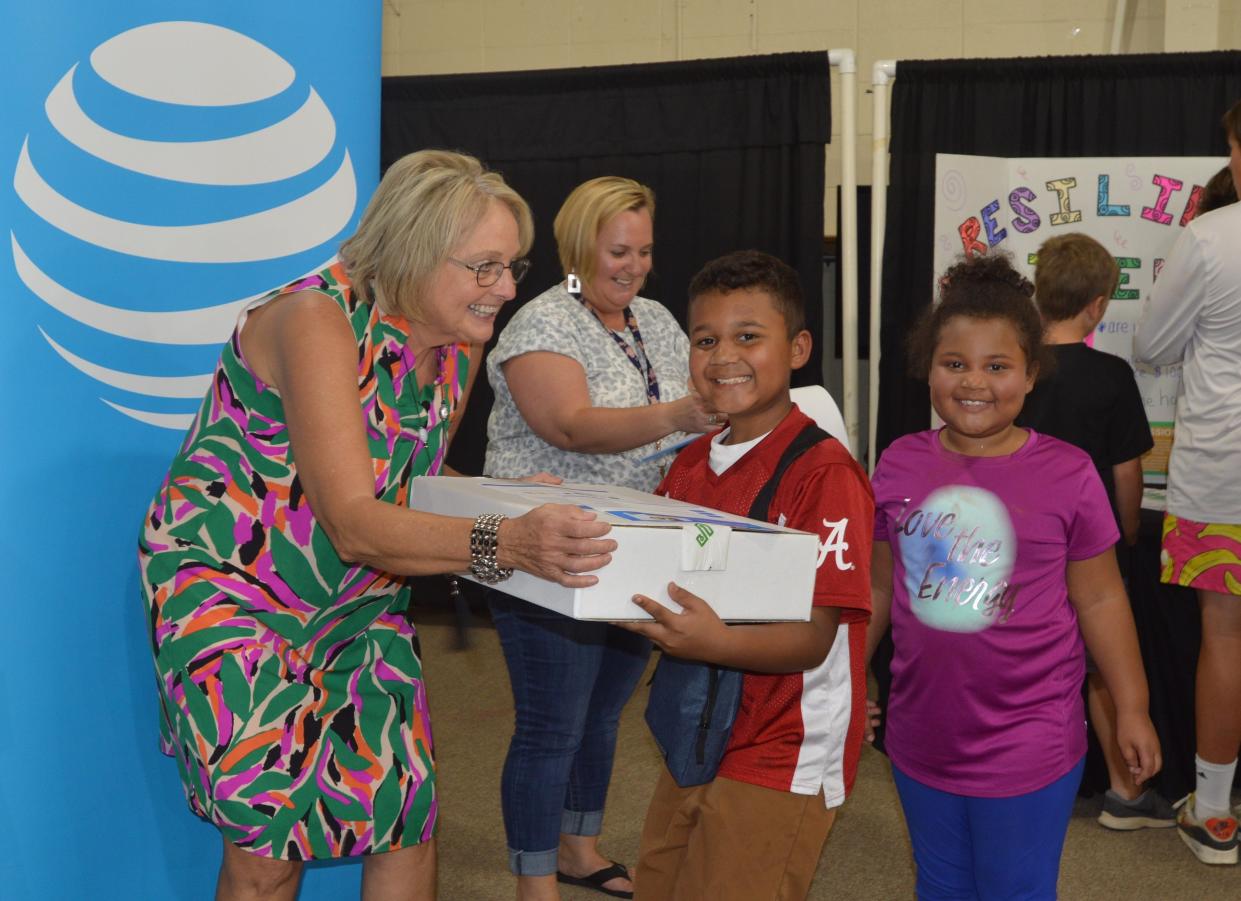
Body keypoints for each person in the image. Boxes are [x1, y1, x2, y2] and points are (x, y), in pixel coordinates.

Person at [137, 150, 619, 901]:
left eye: (511, 265)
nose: (503, 288)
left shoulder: (460, 342)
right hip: (235, 592)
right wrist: (508, 541)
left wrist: (505, 497)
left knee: (401, 818)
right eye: (483, 266)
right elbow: (356, 522)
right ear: (416, 252)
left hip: (357, 601)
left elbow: (410, 481)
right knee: (270, 850)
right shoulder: (313, 320)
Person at [868, 253, 1161, 900]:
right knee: (940, 885)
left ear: (1030, 373)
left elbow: (1103, 596)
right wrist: (846, 676)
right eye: (954, 364)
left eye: (996, 366)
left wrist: (1131, 706)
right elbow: (878, 587)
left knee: (1013, 888)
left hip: (1029, 736)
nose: (974, 381)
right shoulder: (897, 463)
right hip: (920, 731)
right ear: (928, 368)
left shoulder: (1068, 472)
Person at [484, 176, 717, 900]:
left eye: (645, 250)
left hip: (633, 547)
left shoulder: (652, 318)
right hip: (548, 551)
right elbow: (570, 427)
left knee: (601, 711)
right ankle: (533, 880)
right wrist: (681, 414)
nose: (635, 265)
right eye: (619, 250)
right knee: (552, 721)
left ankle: (578, 848)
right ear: (580, 247)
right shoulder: (540, 324)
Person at [620, 250, 874, 901]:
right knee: (662, 880)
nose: (722, 354)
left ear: (797, 348)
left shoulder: (825, 474)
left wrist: (705, 640)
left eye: (747, 336)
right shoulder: (689, 464)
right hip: (697, 723)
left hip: (783, 744)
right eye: (705, 339)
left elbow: (815, 637)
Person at [1016, 233, 1171, 830]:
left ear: (1038, 296)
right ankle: (1125, 793)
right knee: (1105, 666)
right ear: (1099, 307)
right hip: (1093, 550)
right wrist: (1127, 535)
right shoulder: (1110, 375)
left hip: (1025, 550)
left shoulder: (1018, 371)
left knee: (1038, 661)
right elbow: (1126, 472)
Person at [1134, 100, 1241, 866]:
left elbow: (1150, 344)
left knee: (1223, 637)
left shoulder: (1209, 237)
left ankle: (1212, 815)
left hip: (1224, 471)